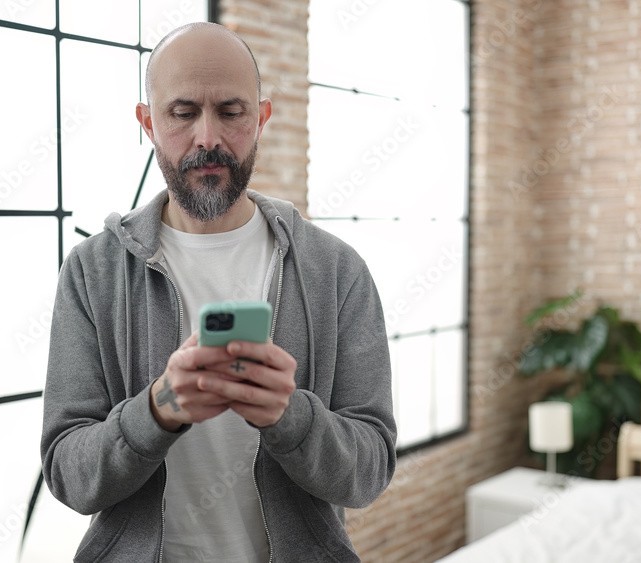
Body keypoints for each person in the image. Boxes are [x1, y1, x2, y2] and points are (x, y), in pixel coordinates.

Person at [41, 22, 396, 562]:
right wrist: (158, 410)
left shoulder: (337, 271)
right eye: (182, 113)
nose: (208, 137)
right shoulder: (93, 272)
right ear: (148, 124)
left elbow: (368, 473)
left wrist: (290, 415)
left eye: (231, 113)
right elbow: (69, 473)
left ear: (261, 119)